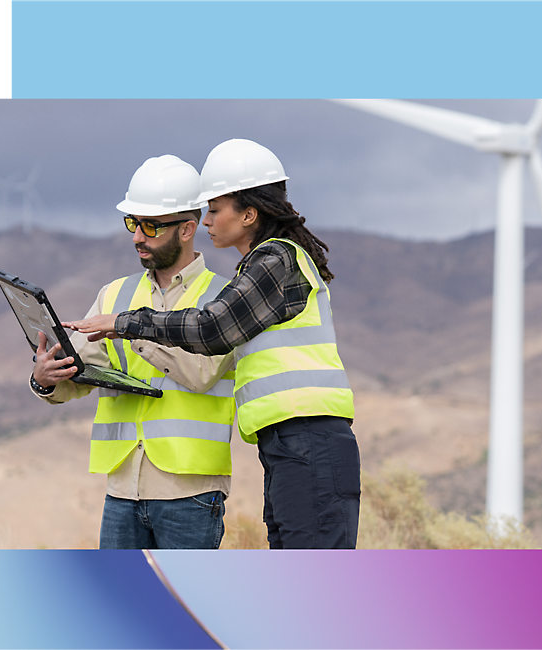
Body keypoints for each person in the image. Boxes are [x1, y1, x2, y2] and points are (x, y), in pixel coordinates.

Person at [65, 139, 360, 549]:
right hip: (290, 440)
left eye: (216, 209)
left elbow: (211, 329)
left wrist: (126, 324)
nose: (207, 220)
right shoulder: (264, 264)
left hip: (309, 438)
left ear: (249, 213)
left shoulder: (275, 260)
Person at [31, 155, 235, 549]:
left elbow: (199, 372)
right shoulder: (114, 293)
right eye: (133, 224)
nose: (138, 237)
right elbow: (79, 372)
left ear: (188, 229)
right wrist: (45, 378)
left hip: (191, 492)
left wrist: (127, 328)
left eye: (151, 226)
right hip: (123, 489)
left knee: (183, 607)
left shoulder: (222, 298)